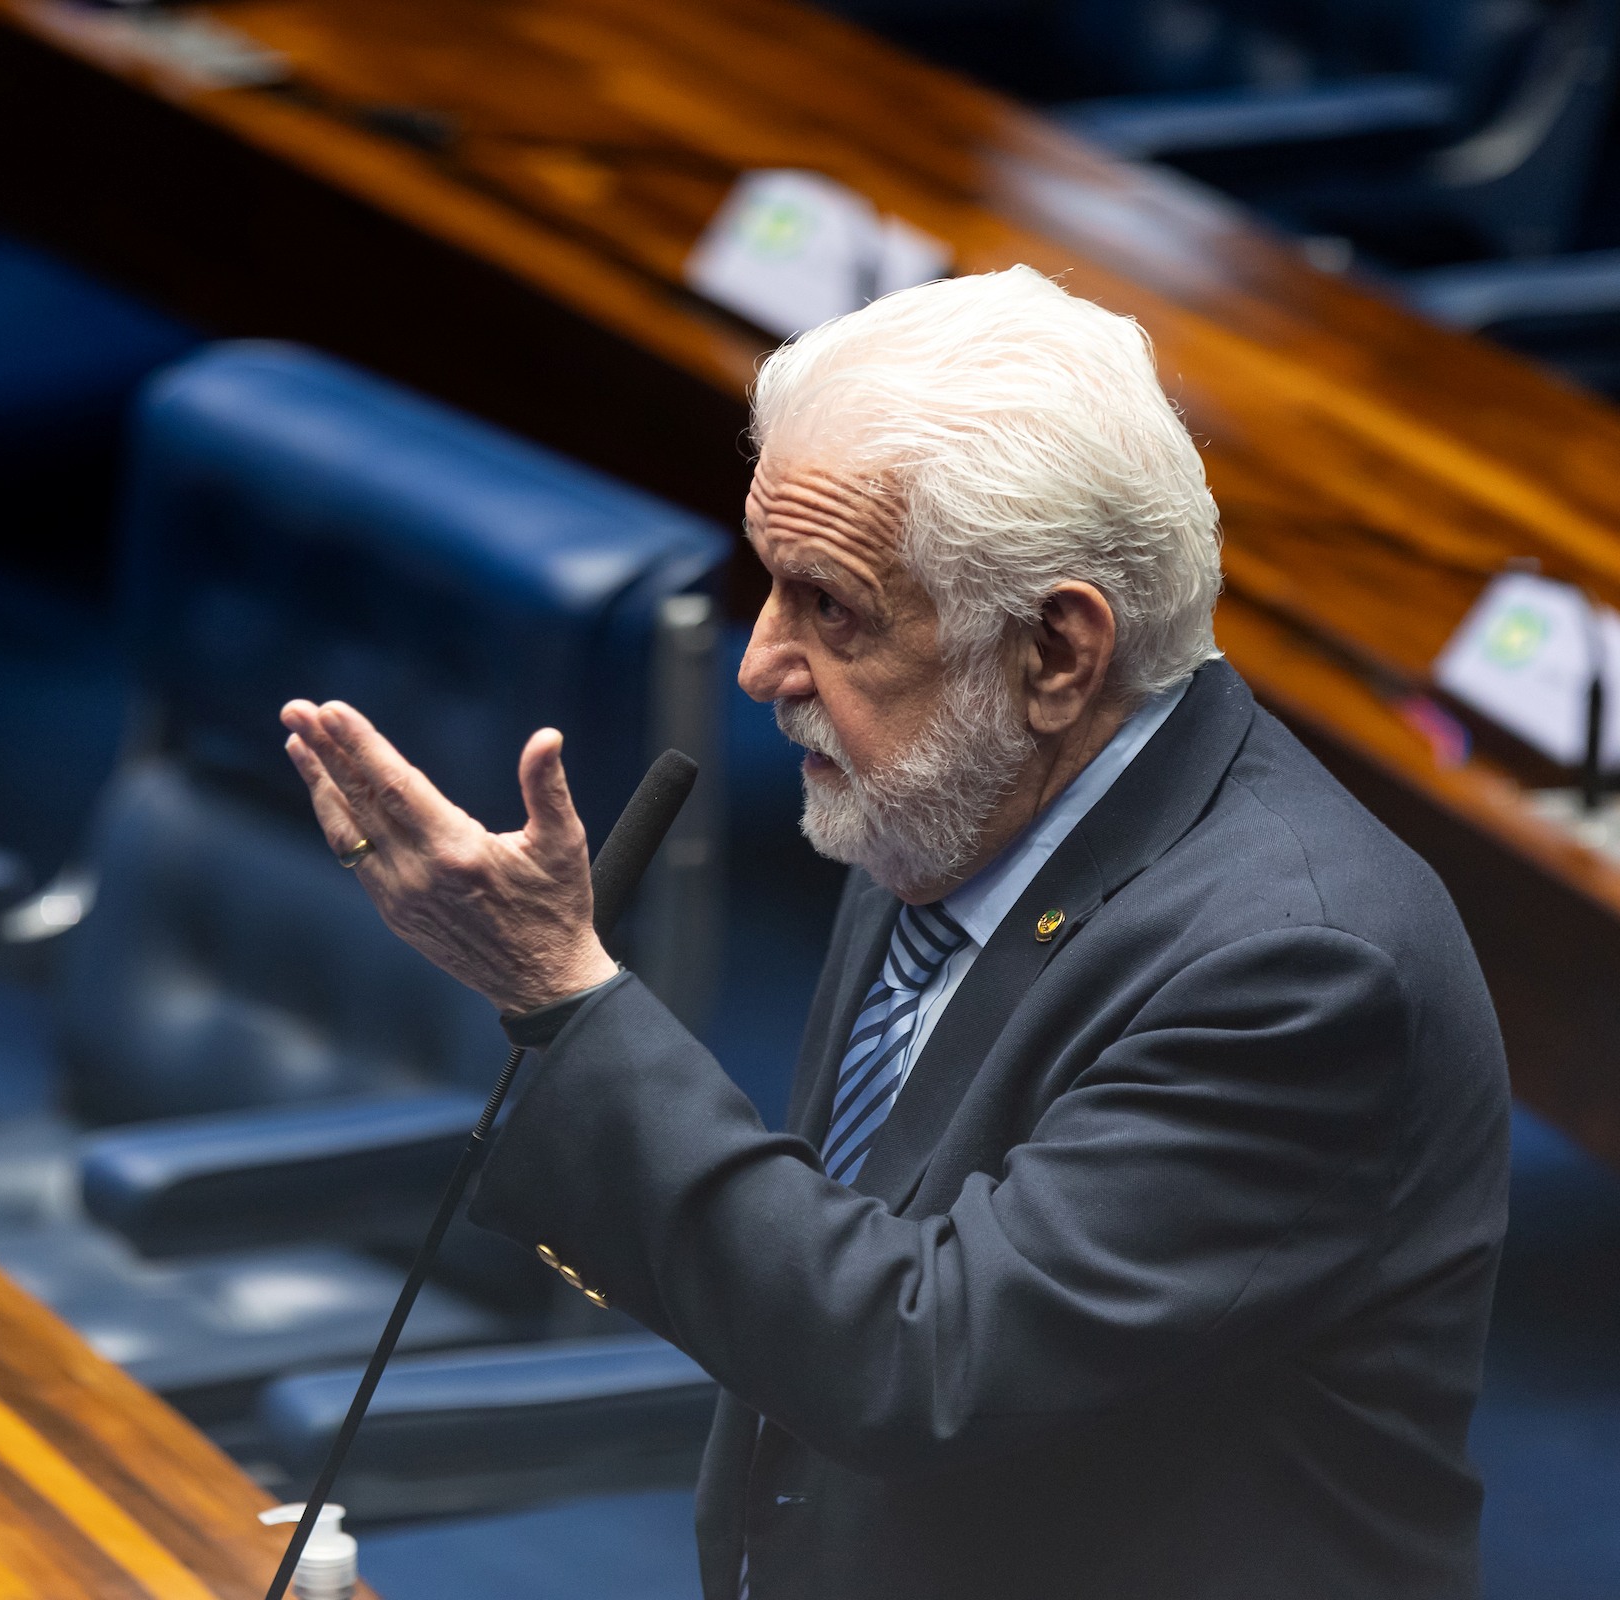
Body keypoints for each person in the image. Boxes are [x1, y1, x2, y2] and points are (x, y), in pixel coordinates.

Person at [277, 266, 1509, 1600]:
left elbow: (920, 1361)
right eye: (768, 585)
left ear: (1056, 653)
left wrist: (565, 992)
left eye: (832, 608)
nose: (759, 664)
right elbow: (835, 1262)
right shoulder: (946, 802)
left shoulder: (1300, 969)